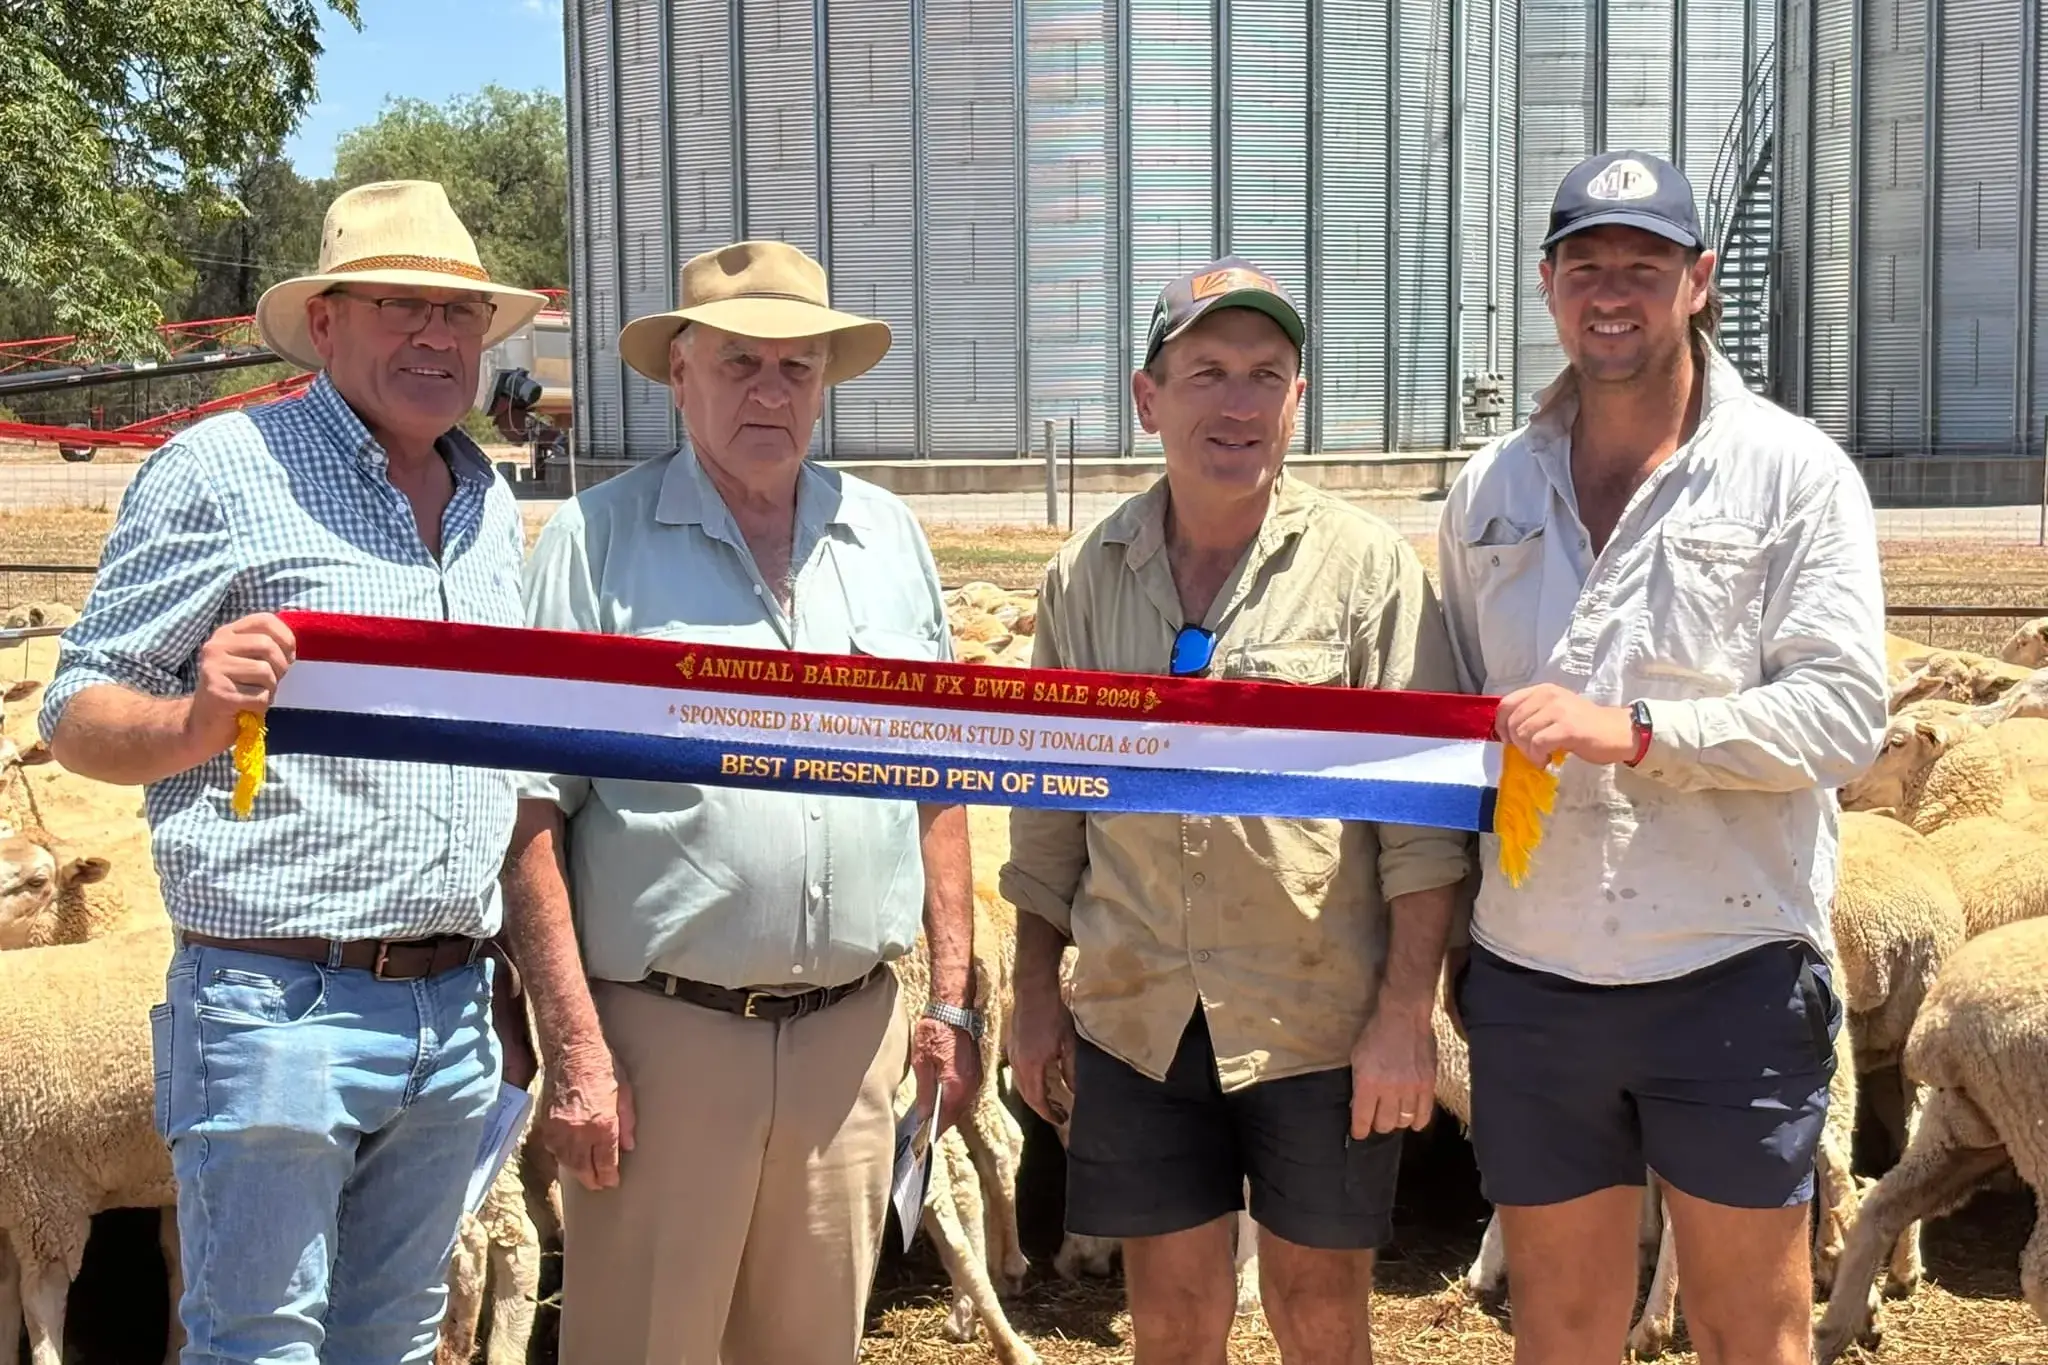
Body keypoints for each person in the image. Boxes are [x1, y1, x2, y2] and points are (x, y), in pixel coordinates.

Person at [38, 179, 550, 1364]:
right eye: (398, 306)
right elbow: (74, 712)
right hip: (279, 1005)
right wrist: (197, 719)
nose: (435, 336)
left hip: (452, 1009)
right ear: (325, 323)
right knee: (258, 1343)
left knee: (399, 1337)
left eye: (459, 315)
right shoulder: (221, 471)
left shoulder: (485, 502)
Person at [1434, 149, 1888, 1365]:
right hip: (1534, 975)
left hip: (1725, 970)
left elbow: (1845, 714)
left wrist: (1639, 735)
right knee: (1560, 1329)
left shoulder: (1790, 473)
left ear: (1695, 283)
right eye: (1586, 267)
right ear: (1546, 285)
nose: (1611, 294)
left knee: (1750, 1331)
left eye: (1642, 267)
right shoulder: (1485, 488)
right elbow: (1454, 725)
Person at [500, 238, 983, 1365]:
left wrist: (950, 1004)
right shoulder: (591, 546)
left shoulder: (887, 537)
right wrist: (575, 1046)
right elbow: (530, 812)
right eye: (737, 364)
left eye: (795, 368)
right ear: (679, 374)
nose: (769, 392)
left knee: (815, 1346)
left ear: (825, 383)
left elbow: (940, 781)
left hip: (849, 1044)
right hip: (663, 1048)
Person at [1002, 257, 1476, 1365]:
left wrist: (1405, 1012)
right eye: (1205, 370)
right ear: (1146, 397)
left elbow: (1420, 818)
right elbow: (1045, 809)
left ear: (1296, 401)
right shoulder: (1084, 576)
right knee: (1170, 1316)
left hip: (1311, 1018)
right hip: (1137, 1013)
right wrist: (1032, 991)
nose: (1237, 402)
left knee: (1317, 1312)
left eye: (1266, 374)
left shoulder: (1366, 574)